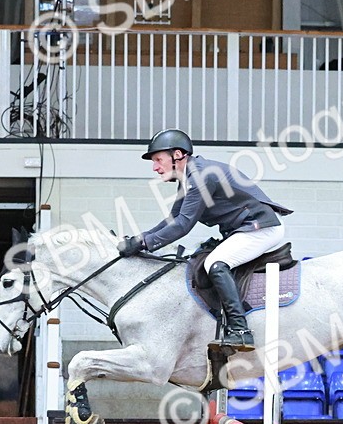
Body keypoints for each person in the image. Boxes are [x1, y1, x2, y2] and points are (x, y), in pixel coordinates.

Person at [117, 129, 293, 353]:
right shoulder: (189, 177)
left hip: (261, 228)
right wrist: (140, 239)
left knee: (215, 263)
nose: (155, 167)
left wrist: (143, 244)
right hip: (245, 228)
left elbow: (183, 225)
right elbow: (173, 219)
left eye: (158, 160)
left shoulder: (200, 176)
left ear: (178, 154)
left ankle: (241, 331)